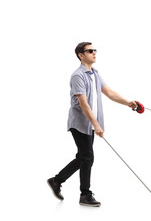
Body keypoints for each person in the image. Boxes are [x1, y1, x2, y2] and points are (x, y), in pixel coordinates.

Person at [47, 42, 137, 207]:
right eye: (90, 51)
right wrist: (96, 125)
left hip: (90, 124)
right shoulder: (77, 76)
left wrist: (128, 102)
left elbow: (109, 92)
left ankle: (57, 180)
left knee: (83, 157)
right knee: (87, 157)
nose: (94, 52)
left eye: (95, 50)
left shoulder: (95, 73)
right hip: (80, 123)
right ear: (81, 55)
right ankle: (85, 194)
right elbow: (83, 104)